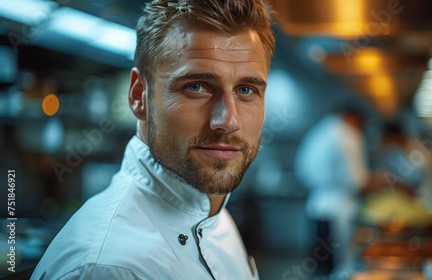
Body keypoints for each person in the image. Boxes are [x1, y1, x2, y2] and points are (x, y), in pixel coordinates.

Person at [31, 0, 275, 279]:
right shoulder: (110, 268)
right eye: (196, 87)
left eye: (246, 89)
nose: (228, 121)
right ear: (139, 96)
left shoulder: (213, 213)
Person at [295, 106, 384, 278]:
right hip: (337, 212)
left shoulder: (320, 130)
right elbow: (358, 181)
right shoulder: (347, 135)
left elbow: (302, 169)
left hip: (316, 207)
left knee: (320, 268)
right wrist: (384, 181)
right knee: (338, 269)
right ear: (354, 118)